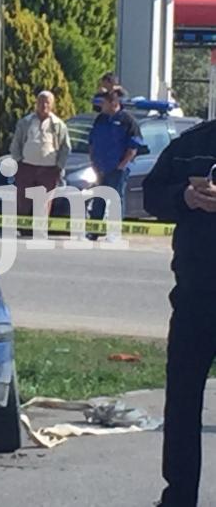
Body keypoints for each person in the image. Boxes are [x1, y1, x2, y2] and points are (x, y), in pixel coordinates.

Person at [143, 121, 216, 507]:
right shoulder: (192, 144)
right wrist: (185, 197)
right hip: (194, 297)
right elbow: (150, 195)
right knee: (183, 403)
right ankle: (179, 496)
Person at [87, 86, 143, 238]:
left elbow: (133, 147)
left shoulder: (127, 121)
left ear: (113, 103)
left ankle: (114, 232)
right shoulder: (100, 119)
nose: (101, 106)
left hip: (118, 169)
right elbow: (92, 142)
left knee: (115, 200)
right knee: (99, 198)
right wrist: (93, 162)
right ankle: (94, 230)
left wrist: (121, 165)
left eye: (103, 103)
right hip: (100, 167)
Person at [9, 90, 71, 217]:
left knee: (44, 201)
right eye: (41, 102)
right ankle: (23, 229)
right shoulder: (25, 122)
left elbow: (65, 147)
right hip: (26, 167)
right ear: (36, 103)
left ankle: (40, 230)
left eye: (47, 103)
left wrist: (59, 166)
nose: (44, 106)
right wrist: (18, 162)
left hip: (49, 170)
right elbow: (15, 144)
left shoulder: (59, 125)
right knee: (23, 200)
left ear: (52, 105)